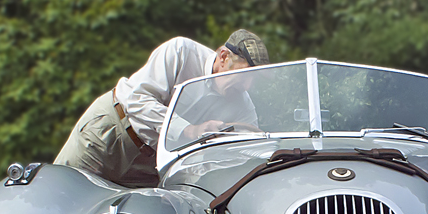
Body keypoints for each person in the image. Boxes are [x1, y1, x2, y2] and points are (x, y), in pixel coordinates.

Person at [55, 30, 270, 186]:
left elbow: (246, 153)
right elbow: (137, 99)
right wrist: (189, 130)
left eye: (254, 79)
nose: (247, 86)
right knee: (60, 195)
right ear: (223, 57)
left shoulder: (243, 107)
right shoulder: (182, 52)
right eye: (244, 75)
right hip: (111, 133)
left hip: (151, 167)